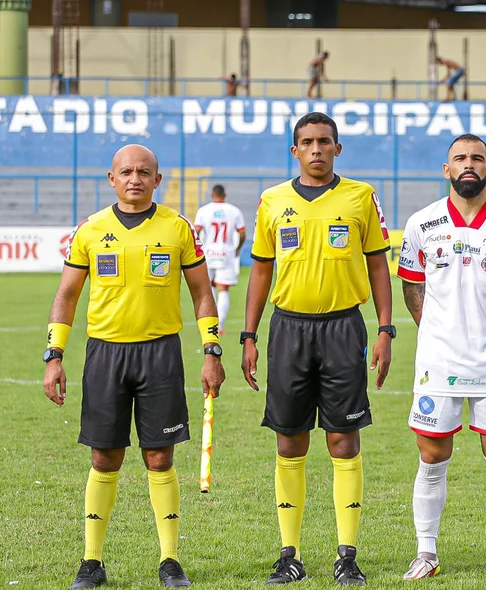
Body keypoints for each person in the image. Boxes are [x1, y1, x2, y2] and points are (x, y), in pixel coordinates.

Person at [43, 144, 226, 589]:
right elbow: (66, 296)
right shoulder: (90, 230)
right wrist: (54, 355)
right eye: (126, 172)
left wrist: (211, 349)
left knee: (159, 456)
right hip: (105, 354)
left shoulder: (177, 227)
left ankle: (169, 561)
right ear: (111, 178)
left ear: (157, 180)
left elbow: (203, 293)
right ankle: (91, 561)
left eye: (145, 172)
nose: (135, 179)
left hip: (160, 354)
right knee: (105, 456)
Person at [241, 111, 393, 586]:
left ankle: (347, 555)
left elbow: (377, 266)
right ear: (295, 150)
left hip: (344, 328)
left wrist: (386, 329)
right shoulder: (272, 201)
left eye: (324, 142)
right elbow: (261, 271)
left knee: (343, 441)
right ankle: (291, 555)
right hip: (287, 330)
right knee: (289, 440)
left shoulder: (361, 197)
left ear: (337, 148)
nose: (316, 149)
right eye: (306, 142)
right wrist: (248, 336)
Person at [397, 134, 486, 583]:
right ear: (446, 169)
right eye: (460, 158)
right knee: (431, 455)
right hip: (437, 362)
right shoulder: (422, 223)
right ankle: (426, 552)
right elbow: (411, 287)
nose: (468, 164)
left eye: (477, 158)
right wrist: (436, 335)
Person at [193, 184, 247, 334]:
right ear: (225, 195)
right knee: (223, 289)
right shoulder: (234, 211)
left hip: (208, 252)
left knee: (206, 289)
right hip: (226, 252)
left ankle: (209, 324)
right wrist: (237, 248)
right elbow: (242, 234)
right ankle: (220, 325)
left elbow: (196, 231)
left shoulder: (203, 211)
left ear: (212, 195)